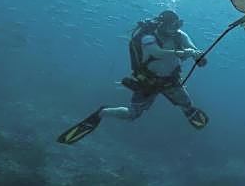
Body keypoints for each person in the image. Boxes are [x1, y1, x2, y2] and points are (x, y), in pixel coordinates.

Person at [57, 10, 209, 144]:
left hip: (171, 81)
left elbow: (193, 49)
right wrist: (181, 53)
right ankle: (102, 112)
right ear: (163, 25)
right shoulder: (147, 37)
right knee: (132, 114)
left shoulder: (180, 36)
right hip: (149, 82)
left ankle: (188, 111)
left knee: (186, 104)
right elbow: (156, 53)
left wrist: (198, 56)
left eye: (179, 24)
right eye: (173, 25)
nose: (176, 28)